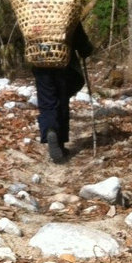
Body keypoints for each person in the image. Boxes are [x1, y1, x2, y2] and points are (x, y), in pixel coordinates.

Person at [32, 21, 94, 163]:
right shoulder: (65, 9)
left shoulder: (33, 12)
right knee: (62, 100)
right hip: (63, 61)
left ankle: (50, 130)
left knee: (47, 101)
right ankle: (59, 142)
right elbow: (80, 40)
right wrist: (86, 50)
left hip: (40, 59)